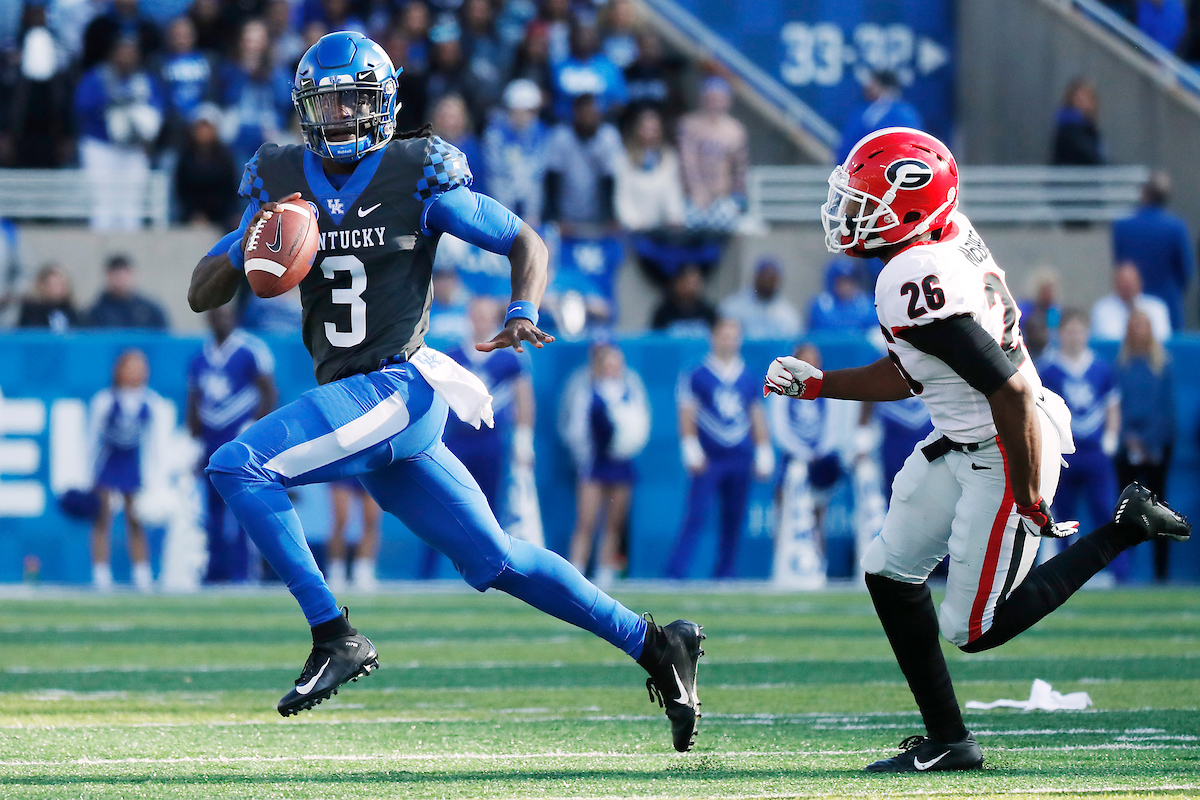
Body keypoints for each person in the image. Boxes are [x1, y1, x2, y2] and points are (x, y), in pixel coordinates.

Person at [186, 31, 703, 751]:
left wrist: (523, 307)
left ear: (384, 104)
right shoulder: (279, 177)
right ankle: (655, 645)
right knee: (495, 559)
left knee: (238, 462)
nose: (338, 116)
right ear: (305, 107)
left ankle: (333, 633)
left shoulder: (414, 171)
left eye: (352, 100)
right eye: (325, 102)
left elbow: (526, 240)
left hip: (399, 386)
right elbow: (199, 293)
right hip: (365, 402)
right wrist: (256, 241)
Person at [765, 127, 1189, 773]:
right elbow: (916, 370)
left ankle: (1124, 528)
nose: (851, 214)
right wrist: (822, 384)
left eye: (866, 201)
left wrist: (1028, 496)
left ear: (910, 207)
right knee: (888, 571)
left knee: (975, 627)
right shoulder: (937, 242)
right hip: (966, 435)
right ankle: (949, 740)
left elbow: (1012, 390)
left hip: (1005, 442)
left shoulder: (912, 272)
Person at [667, 317, 774, 579]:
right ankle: (676, 572)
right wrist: (690, 446)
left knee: (734, 518)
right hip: (710, 456)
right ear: (713, 337)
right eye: (723, 334)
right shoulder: (697, 373)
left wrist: (763, 449)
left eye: (733, 334)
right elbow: (687, 412)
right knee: (696, 515)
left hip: (739, 455)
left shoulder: (747, 376)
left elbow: (756, 414)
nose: (728, 340)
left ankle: (726, 571)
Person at [187, 306, 277, 585]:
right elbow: (194, 397)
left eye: (225, 314)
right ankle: (215, 570)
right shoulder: (201, 355)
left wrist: (255, 429)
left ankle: (244, 570)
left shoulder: (251, 348)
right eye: (214, 314)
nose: (219, 319)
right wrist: (193, 433)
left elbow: (268, 391)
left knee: (242, 505)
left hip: (240, 438)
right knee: (210, 509)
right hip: (211, 440)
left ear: (234, 317)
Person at [562, 340, 651, 586]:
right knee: (586, 521)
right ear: (599, 366)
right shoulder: (587, 392)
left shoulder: (630, 391)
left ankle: (605, 573)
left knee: (614, 523)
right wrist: (585, 451)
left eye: (616, 364)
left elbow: (640, 426)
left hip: (621, 464)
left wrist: (625, 445)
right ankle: (575, 573)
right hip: (594, 462)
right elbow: (576, 429)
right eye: (608, 364)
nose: (612, 369)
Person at [87, 349, 171, 592]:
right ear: (119, 371)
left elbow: (156, 444)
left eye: (140, 367)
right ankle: (100, 573)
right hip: (108, 462)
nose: (136, 373)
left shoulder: (152, 402)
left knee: (135, 520)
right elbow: (92, 440)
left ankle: (142, 572)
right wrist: (88, 475)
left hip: (133, 465)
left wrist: (156, 478)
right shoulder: (105, 400)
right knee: (102, 518)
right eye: (130, 367)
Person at [768, 343, 848, 584]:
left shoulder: (829, 390)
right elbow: (780, 428)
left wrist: (817, 452)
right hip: (793, 460)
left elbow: (834, 427)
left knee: (816, 518)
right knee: (785, 512)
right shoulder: (781, 389)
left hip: (820, 461)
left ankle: (816, 567)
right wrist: (801, 452)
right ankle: (782, 566)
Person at [1039, 310, 1121, 540]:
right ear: (1059, 334)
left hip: (1095, 450)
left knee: (1104, 509)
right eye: (1069, 331)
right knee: (1061, 515)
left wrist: (1111, 437)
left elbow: (1112, 405)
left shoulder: (1101, 367)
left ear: (1086, 333)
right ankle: (1063, 570)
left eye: (1078, 331)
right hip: (1064, 452)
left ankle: (1115, 571)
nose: (1074, 337)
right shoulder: (1047, 369)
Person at [74, 35, 163, 231]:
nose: (126, 57)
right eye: (122, 51)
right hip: (101, 145)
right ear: (112, 53)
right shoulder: (96, 77)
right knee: (102, 202)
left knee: (131, 204)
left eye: (130, 52)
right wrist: (111, 102)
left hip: (134, 147)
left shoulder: (145, 80)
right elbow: (81, 107)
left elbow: (158, 112)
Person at [1115, 310, 1177, 582]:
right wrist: (1128, 439)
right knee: (1125, 513)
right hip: (1127, 448)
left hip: (1155, 451)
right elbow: (1116, 406)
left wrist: (1151, 444)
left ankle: (1161, 574)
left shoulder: (1162, 365)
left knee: (1159, 513)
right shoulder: (1120, 366)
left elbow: (1167, 412)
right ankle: (1123, 572)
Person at [1111, 172, 1194, 330]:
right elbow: (1185, 270)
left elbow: (1118, 266)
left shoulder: (1122, 226)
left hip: (1131, 302)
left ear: (1143, 193)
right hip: (1168, 299)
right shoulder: (1176, 227)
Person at [677, 76, 748, 233]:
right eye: (711, 98)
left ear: (728, 101)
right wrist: (697, 191)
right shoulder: (689, 125)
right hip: (693, 198)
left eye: (719, 98)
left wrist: (738, 198)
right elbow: (687, 163)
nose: (715, 102)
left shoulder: (735, 130)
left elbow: (740, 168)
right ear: (703, 99)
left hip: (723, 198)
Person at [483, 79, 548, 225]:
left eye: (530, 111)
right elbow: (493, 165)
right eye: (521, 111)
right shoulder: (495, 132)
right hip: (503, 182)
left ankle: (533, 228)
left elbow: (540, 165)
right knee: (499, 187)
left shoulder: (539, 130)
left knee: (534, 190)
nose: (525, 116)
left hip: (528, 183)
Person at [836, 71, 923, 164]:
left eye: (874, 83)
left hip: (889, 166)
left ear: (884, 86)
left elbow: (911, 143)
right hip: (855, 164)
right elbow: (849, 140)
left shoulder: (903, 113)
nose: (868, 86)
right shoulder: (863, 111)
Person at [174, 104, 239, 227]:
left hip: (221, 213)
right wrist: (194, 213)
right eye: (200, 127)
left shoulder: (225, 156)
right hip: (191, 214)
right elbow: (181, 190)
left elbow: (230, 188)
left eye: (207, 127)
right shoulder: (185, 156)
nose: (203, 132)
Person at [551, 20, 627, 121]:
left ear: (596, 39)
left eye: (588, 35)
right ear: (572, 38)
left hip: (602, 124)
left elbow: (620, 101)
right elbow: (552, 101)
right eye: (580, 35)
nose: (584, 38)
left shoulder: (609, 67)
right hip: (566, 124)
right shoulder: (559, 67)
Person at [718, 257, 801, 341]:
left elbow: (791, 343)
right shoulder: (734, 306)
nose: (767, 281)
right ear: (756, 277)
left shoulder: (788, 314)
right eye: (764, 276)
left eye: (771, 278)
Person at [1091, 262, 1172, 343]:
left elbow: (1163, 338)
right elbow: (1103, 340)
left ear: (1139, 282)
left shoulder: (1156, 307)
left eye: (1131, 282)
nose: (1128, 286)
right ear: (1115, 283)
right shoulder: (1102, 309)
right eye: (1123, 282)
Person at [324, 479, 382, 591]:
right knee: (340, 519)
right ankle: (336, 572)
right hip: (343, 467)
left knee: (371, 520)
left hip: (369, 467)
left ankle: (363, 572)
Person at [87, 255, 169, 330]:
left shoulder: (150, 311)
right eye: (115, 274)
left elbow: (164, 340)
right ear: (108, 276)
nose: (120, 278)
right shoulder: (97, 313)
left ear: (132, 274)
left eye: (123, 273)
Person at [808, 257, 878, 333]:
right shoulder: (821, 305)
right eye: (841, 282)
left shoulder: (868, 305)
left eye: (849, 281)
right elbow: (813, 335)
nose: (846, 286)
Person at [650, 265, 717, 336]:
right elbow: (656, 338)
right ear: (677, 283)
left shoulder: (708, 311)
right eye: (688, 282)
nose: (691, 287)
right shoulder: (664, 312)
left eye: (695, 283)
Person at [1052, 79, 1104, 165]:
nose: (1084, 104)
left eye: (1088, 98)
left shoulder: (1089, 129)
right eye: (1079, 99)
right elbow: (1093, 158)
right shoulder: (1069, 130)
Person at [17, 263, 80, 332]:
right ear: (43, 286)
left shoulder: (71, 311)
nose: (61, 288)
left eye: (63, 284)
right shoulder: (32, 312)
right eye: (56, 284)